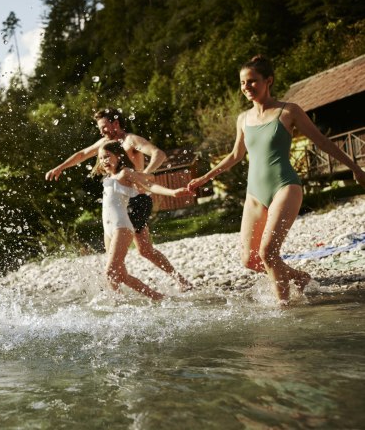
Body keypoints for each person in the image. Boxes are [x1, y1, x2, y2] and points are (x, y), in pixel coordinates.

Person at [187, 55, 365, 304]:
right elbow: (235, 155)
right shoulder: (243, 119)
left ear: (268, 80)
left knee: (268, 252)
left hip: (285, 186)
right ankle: (299, 277)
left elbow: (321, 141)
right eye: (242, 83)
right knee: (250, 260)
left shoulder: (288, 111)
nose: (246, 87)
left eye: (252, 81)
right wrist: (205, 178)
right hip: (254, 193)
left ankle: (283, 310)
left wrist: (354, 167)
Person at [46, 108, 193, 291]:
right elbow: (82, 154)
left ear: (116, 123)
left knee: (139, 252)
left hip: (136, 200)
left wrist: (143, 175)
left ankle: (164, 288)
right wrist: (60, 167)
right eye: (100, 128)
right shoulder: (104, 143)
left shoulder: (131, 140)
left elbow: (159, 155)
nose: (101, 132)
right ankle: (122, 296)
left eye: (104, 127)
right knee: (133, 253)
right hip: (120, 202)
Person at [89, 142, 193, 300]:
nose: (104, 160)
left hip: (122, 227)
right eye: (101, 158)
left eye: (108, 156)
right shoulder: (108, 177)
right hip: (108, 230)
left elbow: (150, 185)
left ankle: (122, 305)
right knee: (118, 275)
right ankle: (156, 298)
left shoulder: (125, 173)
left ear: (119, 156)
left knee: (110, 272)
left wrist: (172, 193)